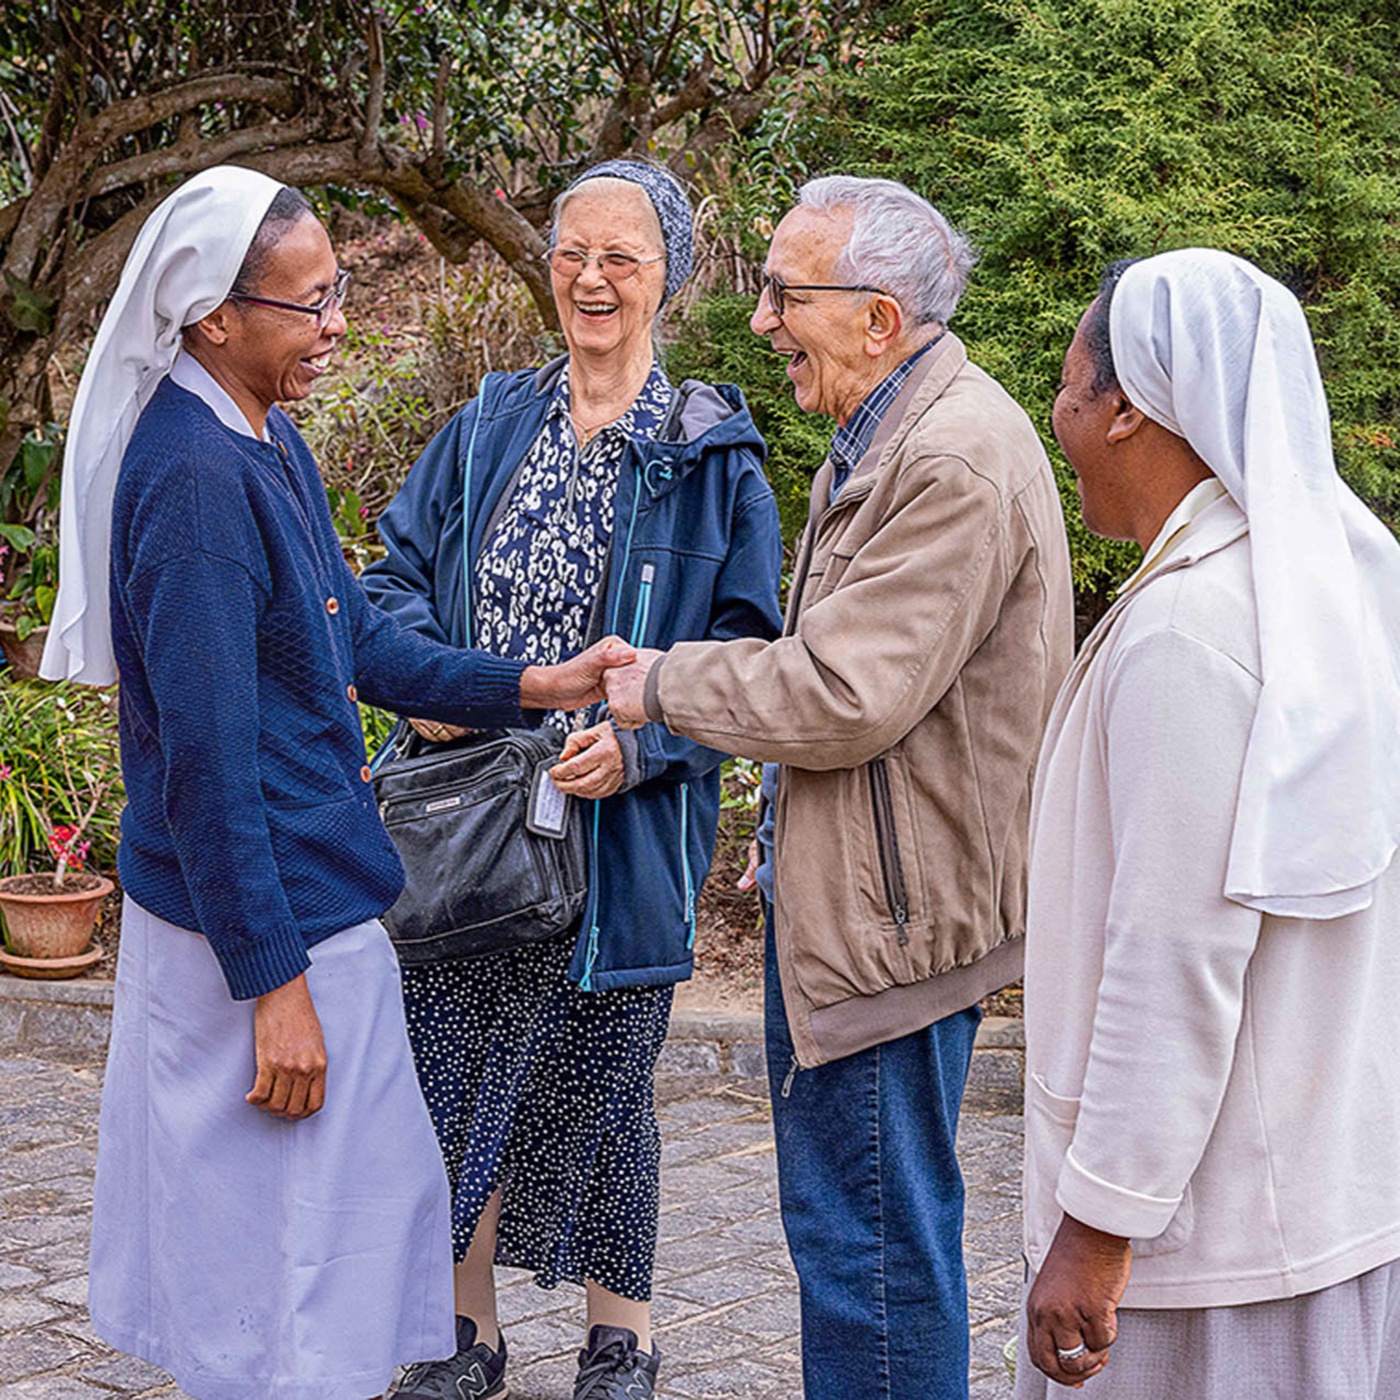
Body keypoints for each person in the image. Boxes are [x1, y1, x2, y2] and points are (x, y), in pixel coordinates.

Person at [40, 165, 632, 1400]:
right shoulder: (195, 482)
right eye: (310, 302)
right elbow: (204, 766)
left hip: (309, 905)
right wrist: (273, 984)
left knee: (324, 1241)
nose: (337, 325)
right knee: (266, 1267)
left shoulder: (262, 434)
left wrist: (537, 683)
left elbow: (351, 637)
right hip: (259, 932)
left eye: (339, 289)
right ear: (214, 315)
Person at [605, 175, 1074, 1400]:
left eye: (783, 294)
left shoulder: (950, 458)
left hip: (888, 936)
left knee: (868, 1253)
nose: (762, 319)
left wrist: (658, 681)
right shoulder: (894, 431)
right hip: (870, 908)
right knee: (859, 1235)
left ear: (877, 318)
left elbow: (842, 689)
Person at [359, 159, 781, 1400]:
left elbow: (749, 658)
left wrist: (646, 745)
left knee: (603, 1085)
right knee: (450, 1075)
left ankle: (620, 1336)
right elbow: (387, 583)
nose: (591, 279)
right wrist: (429, 683)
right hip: (464, 819)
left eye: (621, 258)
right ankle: (463, 1331)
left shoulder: (709, 456)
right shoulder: (486, 425)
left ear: (669, 278)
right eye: (570, 253)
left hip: (619, 836)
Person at [1017, 249, 1400, 1398]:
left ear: (1129, 407)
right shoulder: (1325, 589)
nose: (1057, 414)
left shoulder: (1188, 628)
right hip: (1316, 1199)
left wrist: (1098, 1223)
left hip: (1205, 1256)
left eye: (1069, 386)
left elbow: (1172, 947)